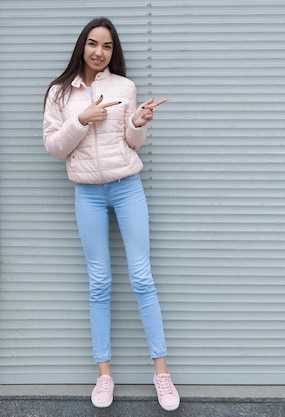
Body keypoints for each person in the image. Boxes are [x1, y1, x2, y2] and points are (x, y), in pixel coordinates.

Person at [43, 17, 179, 411]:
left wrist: (137, 122)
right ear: (81, 47)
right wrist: (81, 120)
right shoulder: (59, 93)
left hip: (126, 188)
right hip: (87, 193)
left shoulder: (124, 87)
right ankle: (104, 375)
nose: (99, 52)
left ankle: (162, 373)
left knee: (142, 278)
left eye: (106, 46)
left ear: (113, 51)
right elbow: (53, 146)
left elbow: (131, 142)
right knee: (99, 282)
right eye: (92, 44)